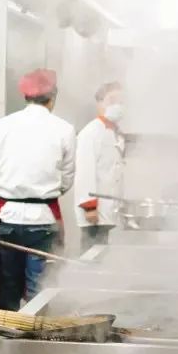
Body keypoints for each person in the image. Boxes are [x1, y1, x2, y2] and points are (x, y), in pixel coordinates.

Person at [0, 68, 76, 311]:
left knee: (9, 286)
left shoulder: (1, 126)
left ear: (25, 96)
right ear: (53, 97)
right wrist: (45, 192)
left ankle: (7, 334)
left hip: (9, 219)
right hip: (44, 222)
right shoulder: (64, 129)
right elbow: (67, 178)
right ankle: (35, 333)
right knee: (39, 291)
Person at [75, 82, 128, 252]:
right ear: (99, 103)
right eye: (112, 100)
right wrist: (90, 206)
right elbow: (84, 173)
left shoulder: (116, 133)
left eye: (121, 101)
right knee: (92, 257)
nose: (117, 105)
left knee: (106, 257)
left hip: (111, 212)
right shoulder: (91, 133)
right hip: (95, 214)